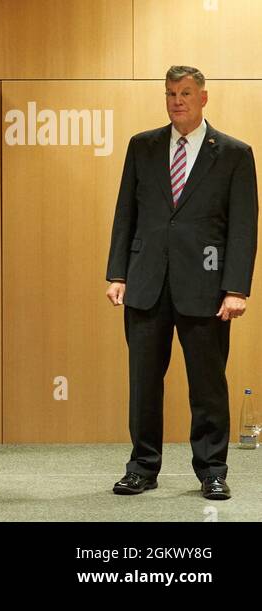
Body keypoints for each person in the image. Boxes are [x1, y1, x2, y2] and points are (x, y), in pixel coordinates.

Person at [105, 65, 256, 501]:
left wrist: (236, 288)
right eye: (171, 93)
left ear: (203, 97)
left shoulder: (233, 153)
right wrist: (117, 273)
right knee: (144, 382)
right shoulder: (143, 147)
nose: (177, 101)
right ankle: (142, 467)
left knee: (208, 384)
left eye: (186, 93)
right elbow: (125, 216)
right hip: (146, 283)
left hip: (206, 289)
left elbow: (243, 228)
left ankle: (212, 470)